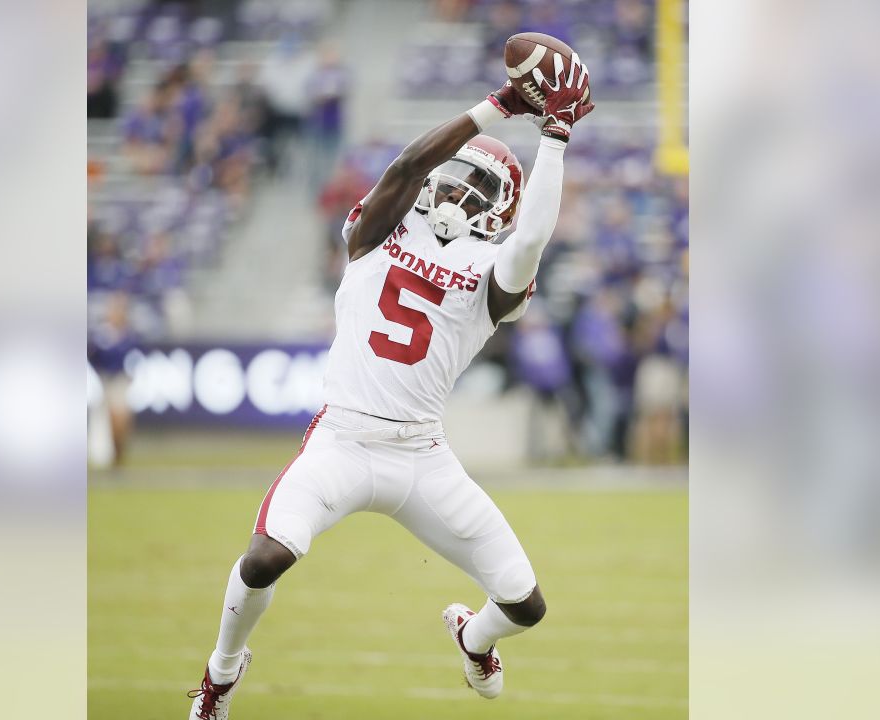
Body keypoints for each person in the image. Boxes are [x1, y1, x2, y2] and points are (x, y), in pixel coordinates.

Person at [187, 51, 593, 719]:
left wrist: (555, 135)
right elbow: (406, 167)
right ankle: (221, 674)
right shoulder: (379, 229)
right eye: (456, 179)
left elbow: (532, 241)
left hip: (421, 455)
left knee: (525, 605)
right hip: (342, 440)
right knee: (264, 558)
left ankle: (474, 636)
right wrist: (498, 105)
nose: (459, 193)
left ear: (500, 211)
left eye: (480, 190)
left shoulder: (497, 270)